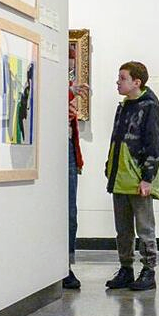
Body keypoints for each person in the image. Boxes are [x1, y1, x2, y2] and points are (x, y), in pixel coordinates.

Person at [104, 62, 159, 291]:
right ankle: (126, 268)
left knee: (145, 227)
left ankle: (149, 270)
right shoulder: (124, 106)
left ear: (136, 82)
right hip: (120, 177)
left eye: (122, 78)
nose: (118, 82)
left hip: (138, 178)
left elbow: (154, 144)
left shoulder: (149, 107)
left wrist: (147, 177)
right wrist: (110, 166)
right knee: (123, 229)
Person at [63, 85, 88, 290]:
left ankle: (65, 265)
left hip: (69, 150)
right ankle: (62, 266)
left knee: (70, 213)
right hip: (59, 149)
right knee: (67, 213)